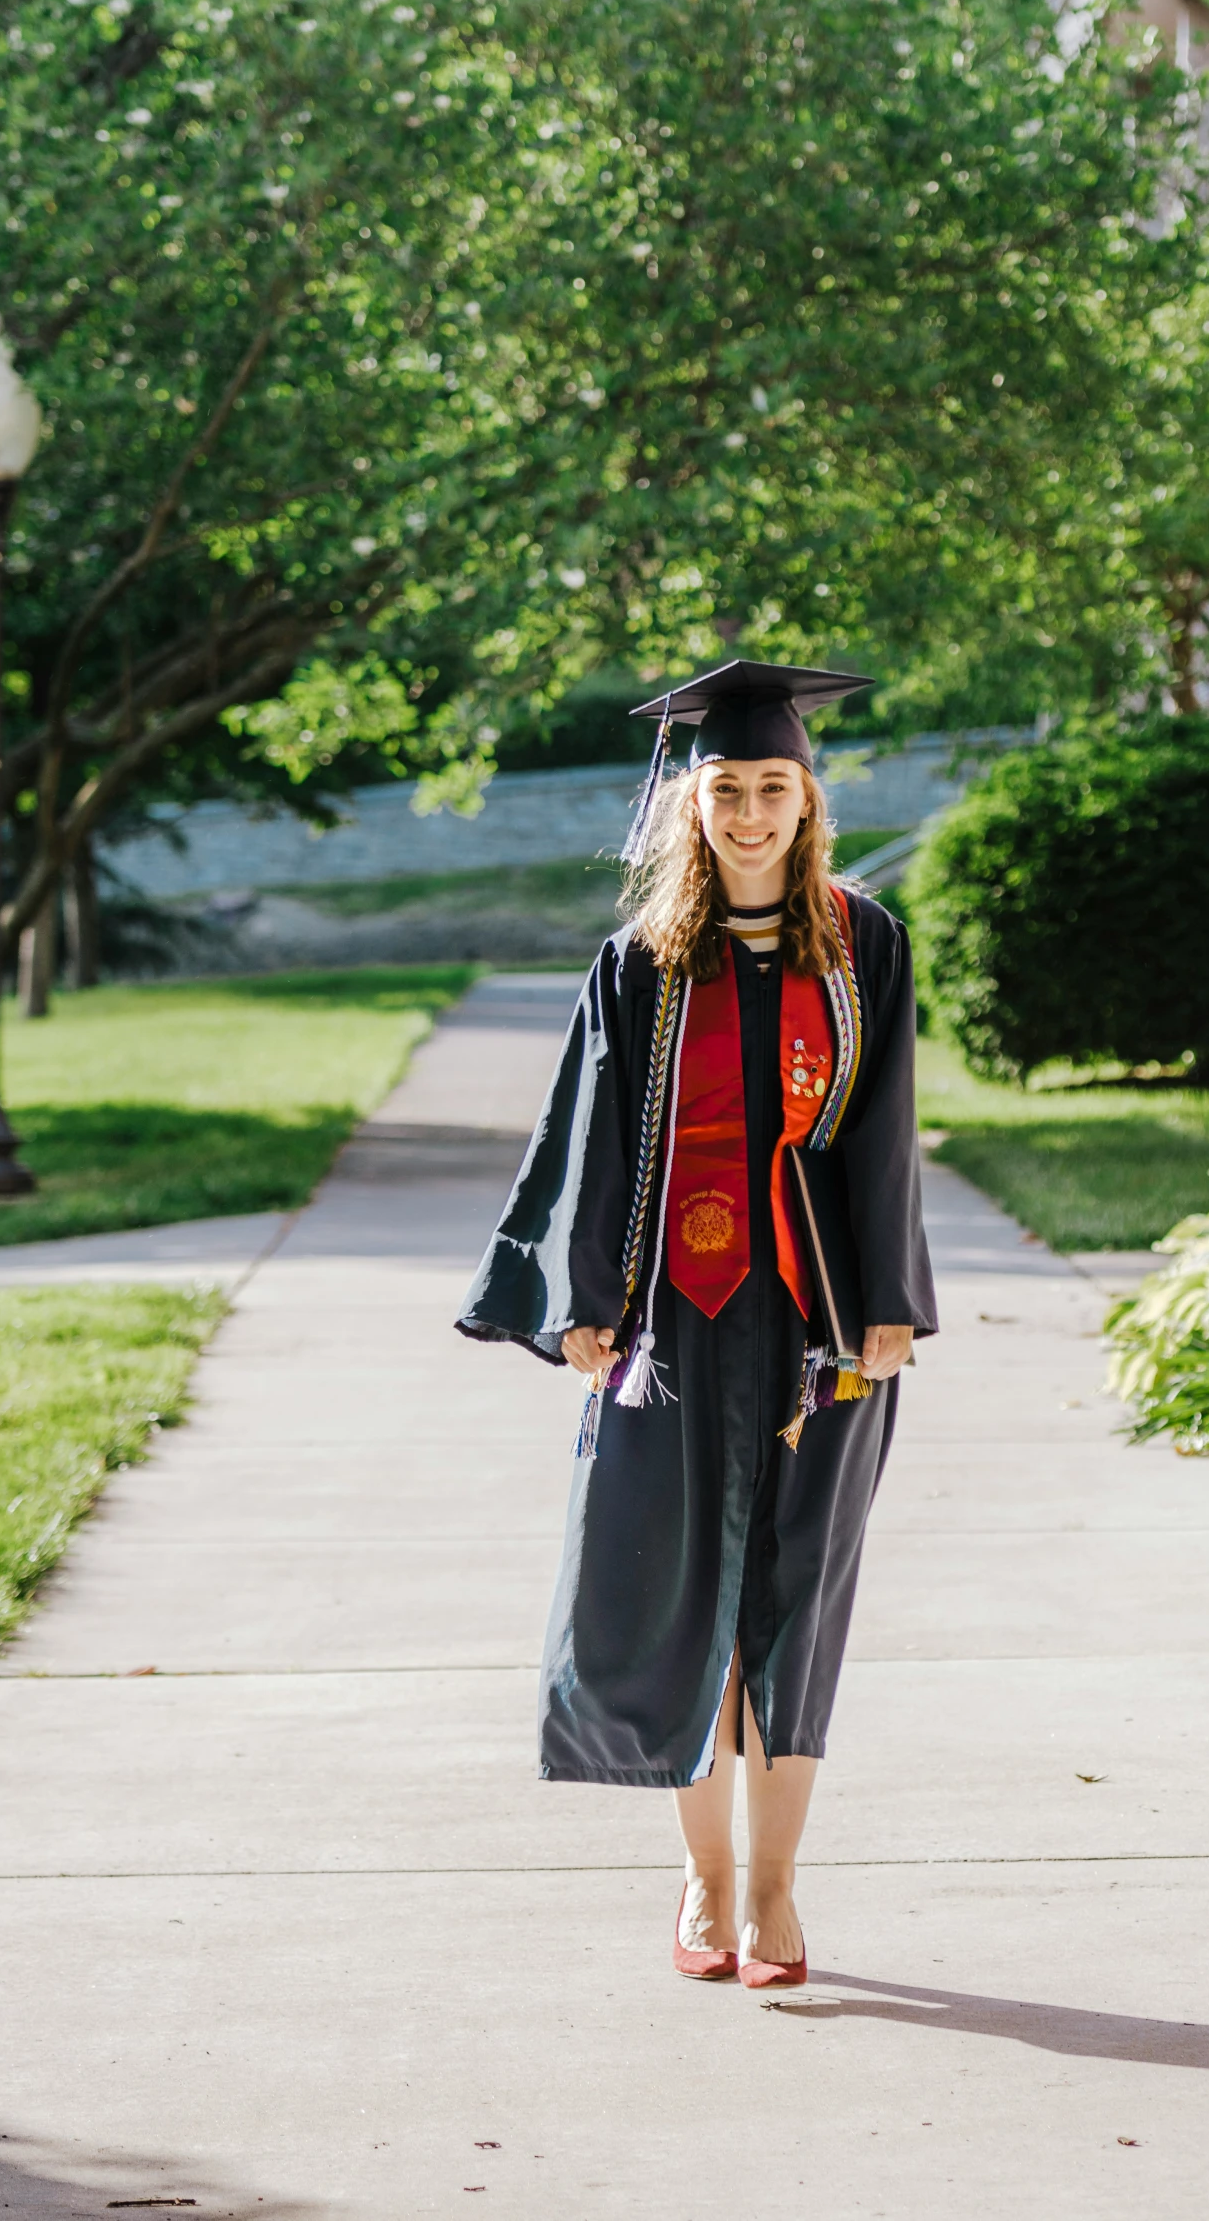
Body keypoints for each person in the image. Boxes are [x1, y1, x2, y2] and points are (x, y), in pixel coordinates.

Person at [456, 659, 937, 1988]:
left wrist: (892, 1300)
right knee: (686, 1599)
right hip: (674, 1321)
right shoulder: (641, 959)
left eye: (772, 787)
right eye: (726, 788)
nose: (749, 812)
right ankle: (703, 1877)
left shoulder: (863, 941)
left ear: (805, 796)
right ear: (688, 799)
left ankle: (776, 1883)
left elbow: (887, 1132)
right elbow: (591, 1137)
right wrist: (580, 1308)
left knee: (795, 1600)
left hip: (822, 1320)